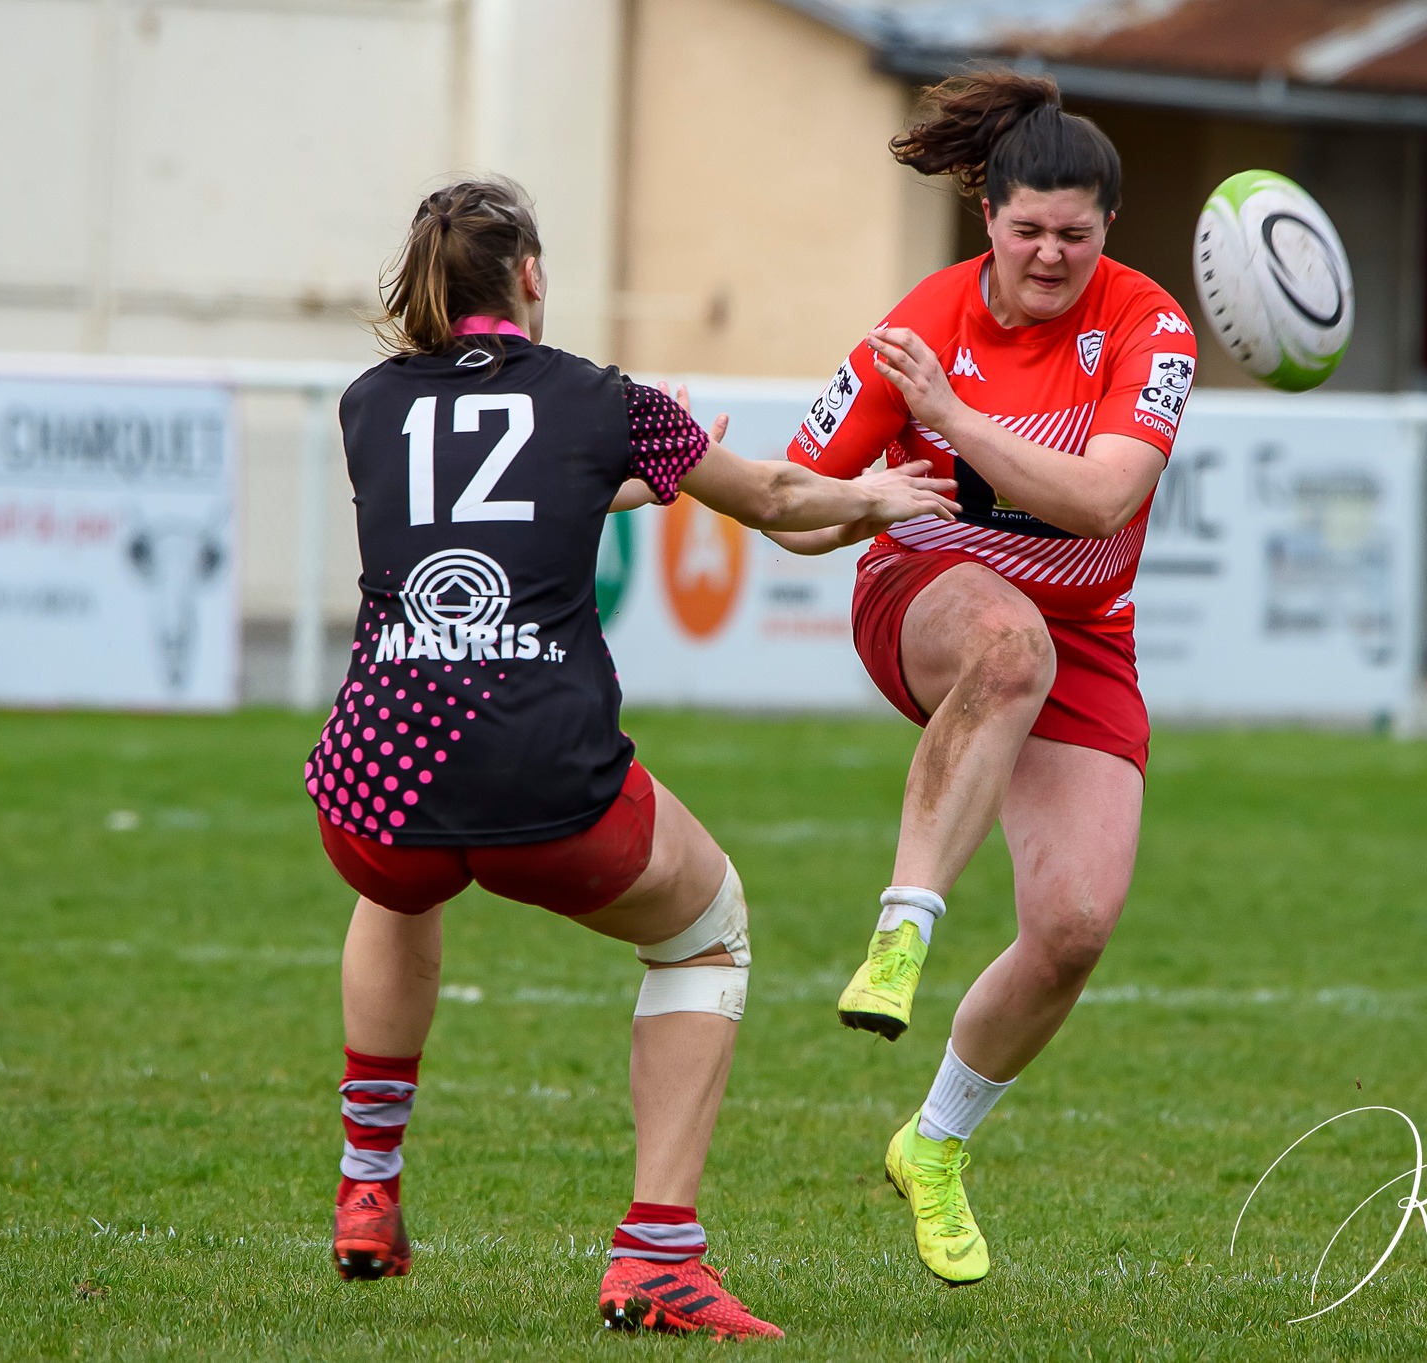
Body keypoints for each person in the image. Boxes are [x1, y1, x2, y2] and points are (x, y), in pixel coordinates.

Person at [306, 177, 958, 1338]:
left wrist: (623, 481)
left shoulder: (366, 403)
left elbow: (480, 500)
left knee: (396, 880)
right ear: (533, 277)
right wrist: (878, 495)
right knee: (707, 929)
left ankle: (367, 1183)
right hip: (543, 771)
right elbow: (772, 501)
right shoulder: (608, 399)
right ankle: (656, 1252)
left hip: (376, 768)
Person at [768, 71, 1196, 1284]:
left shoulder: (1152, 326)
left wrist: (950, 424)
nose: (1050, 255)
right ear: (988, 221)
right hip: (927, 603)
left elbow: (1105, 493)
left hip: (1088, 640)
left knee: (1072, 928)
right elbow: (794, 514)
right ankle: (900, 935)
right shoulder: (919, 323)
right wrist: (860, 502)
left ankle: (935, 1143)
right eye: (1027, 232)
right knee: (1007, 646)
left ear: (1107, 224)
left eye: (1074, 233)